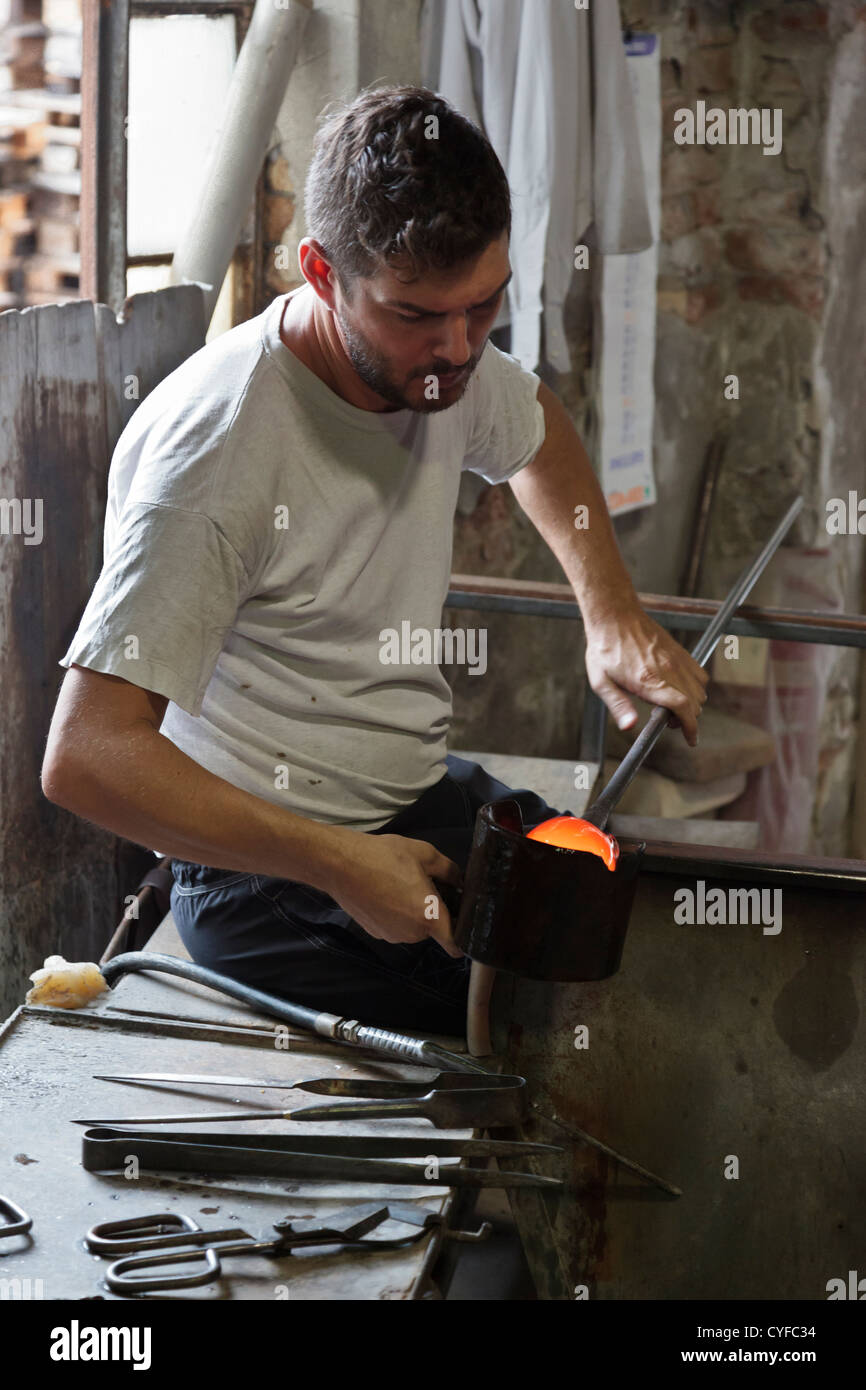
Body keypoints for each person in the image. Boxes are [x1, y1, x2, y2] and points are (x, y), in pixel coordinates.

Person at [42, 85, 707, 1035]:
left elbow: (537, 430)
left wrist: (612, 615)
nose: (456, 348)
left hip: (408, 797)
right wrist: (337, 860)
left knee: (613, 913)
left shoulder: (445, 367)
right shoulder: (219, 452)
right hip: (263, 882)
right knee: (561, 1018)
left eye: (485, 307)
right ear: (321, 272)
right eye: (415, 316)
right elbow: (86, 757)